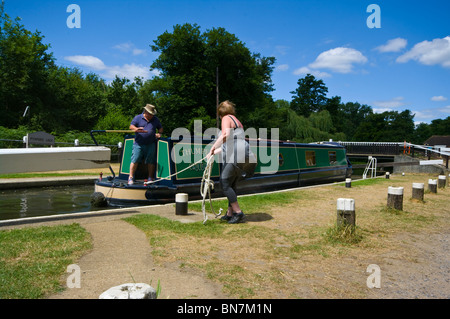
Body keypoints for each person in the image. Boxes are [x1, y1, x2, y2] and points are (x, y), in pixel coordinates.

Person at [207, 100, 256, 224]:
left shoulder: (225, 119)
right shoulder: (237, 121)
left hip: (235, 154)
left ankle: (238, 213)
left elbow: (225, 135)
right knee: (232, 183)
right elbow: (231, 142)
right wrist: (214, 152)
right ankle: (230, 213)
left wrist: (212, 147)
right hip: (243, 151)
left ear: (220, 113)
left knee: (224, 182)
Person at [128, 104, 163, 185]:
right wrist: (136, 129)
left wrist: (159, 133)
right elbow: (131, 126)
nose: (151, 115)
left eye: (152, 114)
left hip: (151, 143)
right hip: (138, 144)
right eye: (150, 114)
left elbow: (160, 128)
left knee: (151, 161)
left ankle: (150, 177)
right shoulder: (138, 117)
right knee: (135, 159)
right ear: (145, 112)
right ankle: (131, 177)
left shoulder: (155, 119)